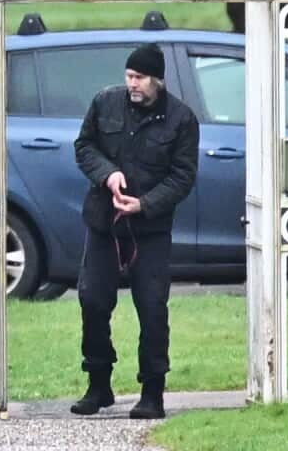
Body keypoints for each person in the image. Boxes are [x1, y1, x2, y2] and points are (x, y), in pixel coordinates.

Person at [70, 42, 199, 419]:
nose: (132, 84)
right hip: (104, 224)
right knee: (92, 300)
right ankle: (98, 382)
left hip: (151, 230)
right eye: (128, 76)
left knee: (153, 308)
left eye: (139, 77)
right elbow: (84, 146)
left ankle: (152, 391)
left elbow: (183, 176)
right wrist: (107, 174)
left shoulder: (181, 119)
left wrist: (145, 204)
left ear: (157, 79)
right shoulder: (105, 103)